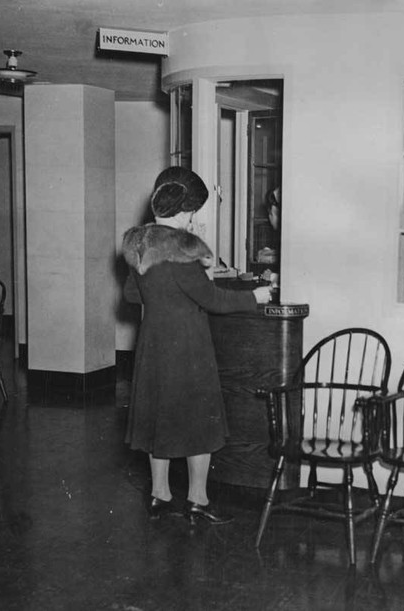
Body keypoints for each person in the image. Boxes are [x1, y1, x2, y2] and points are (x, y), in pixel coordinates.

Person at [122, 166, 272, 525]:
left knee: (159, 421)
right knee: (199, 424)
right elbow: (214, 300)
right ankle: (198, 501)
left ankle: (159, 496)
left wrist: (162, 299)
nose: (193, 221)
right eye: (192, 213)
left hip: (153, 345)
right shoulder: (181, 251)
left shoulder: (141, 246)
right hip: (187, 347)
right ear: (184, 211)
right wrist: (257, 295)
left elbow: (130, 294)